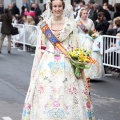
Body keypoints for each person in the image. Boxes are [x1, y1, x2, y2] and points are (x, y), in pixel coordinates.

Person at [22, 0, 96, 120]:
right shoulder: (44, 25)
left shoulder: (70, 24)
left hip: (66, 63)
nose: (57, 9)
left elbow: (75, 46)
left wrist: (78, 64)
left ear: (63, 7)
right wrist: (36, 68)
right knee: (46, 92)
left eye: (59, 6)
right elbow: (41, 48)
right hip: (47, 63)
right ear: (51, 8)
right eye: (55, 6)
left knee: (66, 92)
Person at [76, 8, 104, 81]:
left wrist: (95, 36)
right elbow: (75, 32)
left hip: (89, 40)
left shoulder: (90, 21)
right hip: (81, 39)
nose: (85, 15)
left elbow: (93, 31)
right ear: (80, 14)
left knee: (93, 55)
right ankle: (83, 73)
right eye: (84, 13)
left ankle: (92, 73)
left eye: (86, 13)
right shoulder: (77, 22)